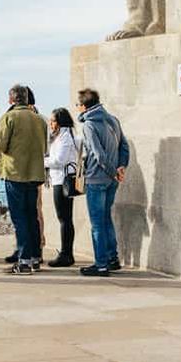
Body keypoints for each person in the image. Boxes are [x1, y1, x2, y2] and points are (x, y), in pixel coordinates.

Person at [0, 84, 48, 275]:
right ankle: (34, 258)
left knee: (20, 218)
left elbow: (0, 144)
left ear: (11, 99)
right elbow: (44, 147)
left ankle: (23, 261)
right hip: (35, 174)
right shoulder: (40, 120)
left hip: (15, 173)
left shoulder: (9, 117)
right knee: (32, 216)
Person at [76, 88, 129, 277]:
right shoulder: (113, 120)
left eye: (77, 105)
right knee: (106, 219)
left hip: (97, 178)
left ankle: (100, 264)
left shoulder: (89, 125)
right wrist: (121, 167)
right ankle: (112, 258)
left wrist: (113, 171)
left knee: (97, 223)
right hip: (112, 180)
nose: (77, 108)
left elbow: (98, 154)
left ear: (84, 106)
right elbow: (124, 146)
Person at [44, 108, 79, 267]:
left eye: (53, 120)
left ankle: (66, 254)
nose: (50, 123)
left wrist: (42, 161)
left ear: (60, 122)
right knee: (65, 218)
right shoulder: (65, 135)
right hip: (61, 179)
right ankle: (66, 253)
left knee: (64, 218)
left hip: (62, 180)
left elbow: (60, 160)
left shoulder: (64, 137)